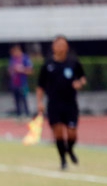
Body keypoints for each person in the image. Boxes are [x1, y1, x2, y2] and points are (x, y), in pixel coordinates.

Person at [36, 36, 86, 170]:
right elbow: (40, 86)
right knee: (58, 133)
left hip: (70, 104)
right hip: (54, 104)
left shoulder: (73, 63)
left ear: (67, 47)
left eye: (62, 44)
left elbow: (83, 78)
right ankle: (63, 160)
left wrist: (79, 83)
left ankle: (69, 149)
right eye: (57, 44)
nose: (60, 47)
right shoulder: (48, 65)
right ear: (53, 47)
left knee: (72, 133)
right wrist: (39, 102)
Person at [8, 44, 34, 121]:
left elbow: (30, 71)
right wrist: (12, 70)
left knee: (24, 99)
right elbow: (9, 70)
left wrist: (22, 70)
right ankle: (18, 115)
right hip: (14, 84)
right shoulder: (12, 59)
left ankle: (27, 114)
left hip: (23, 84)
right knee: (16, 100)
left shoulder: (25, 58)